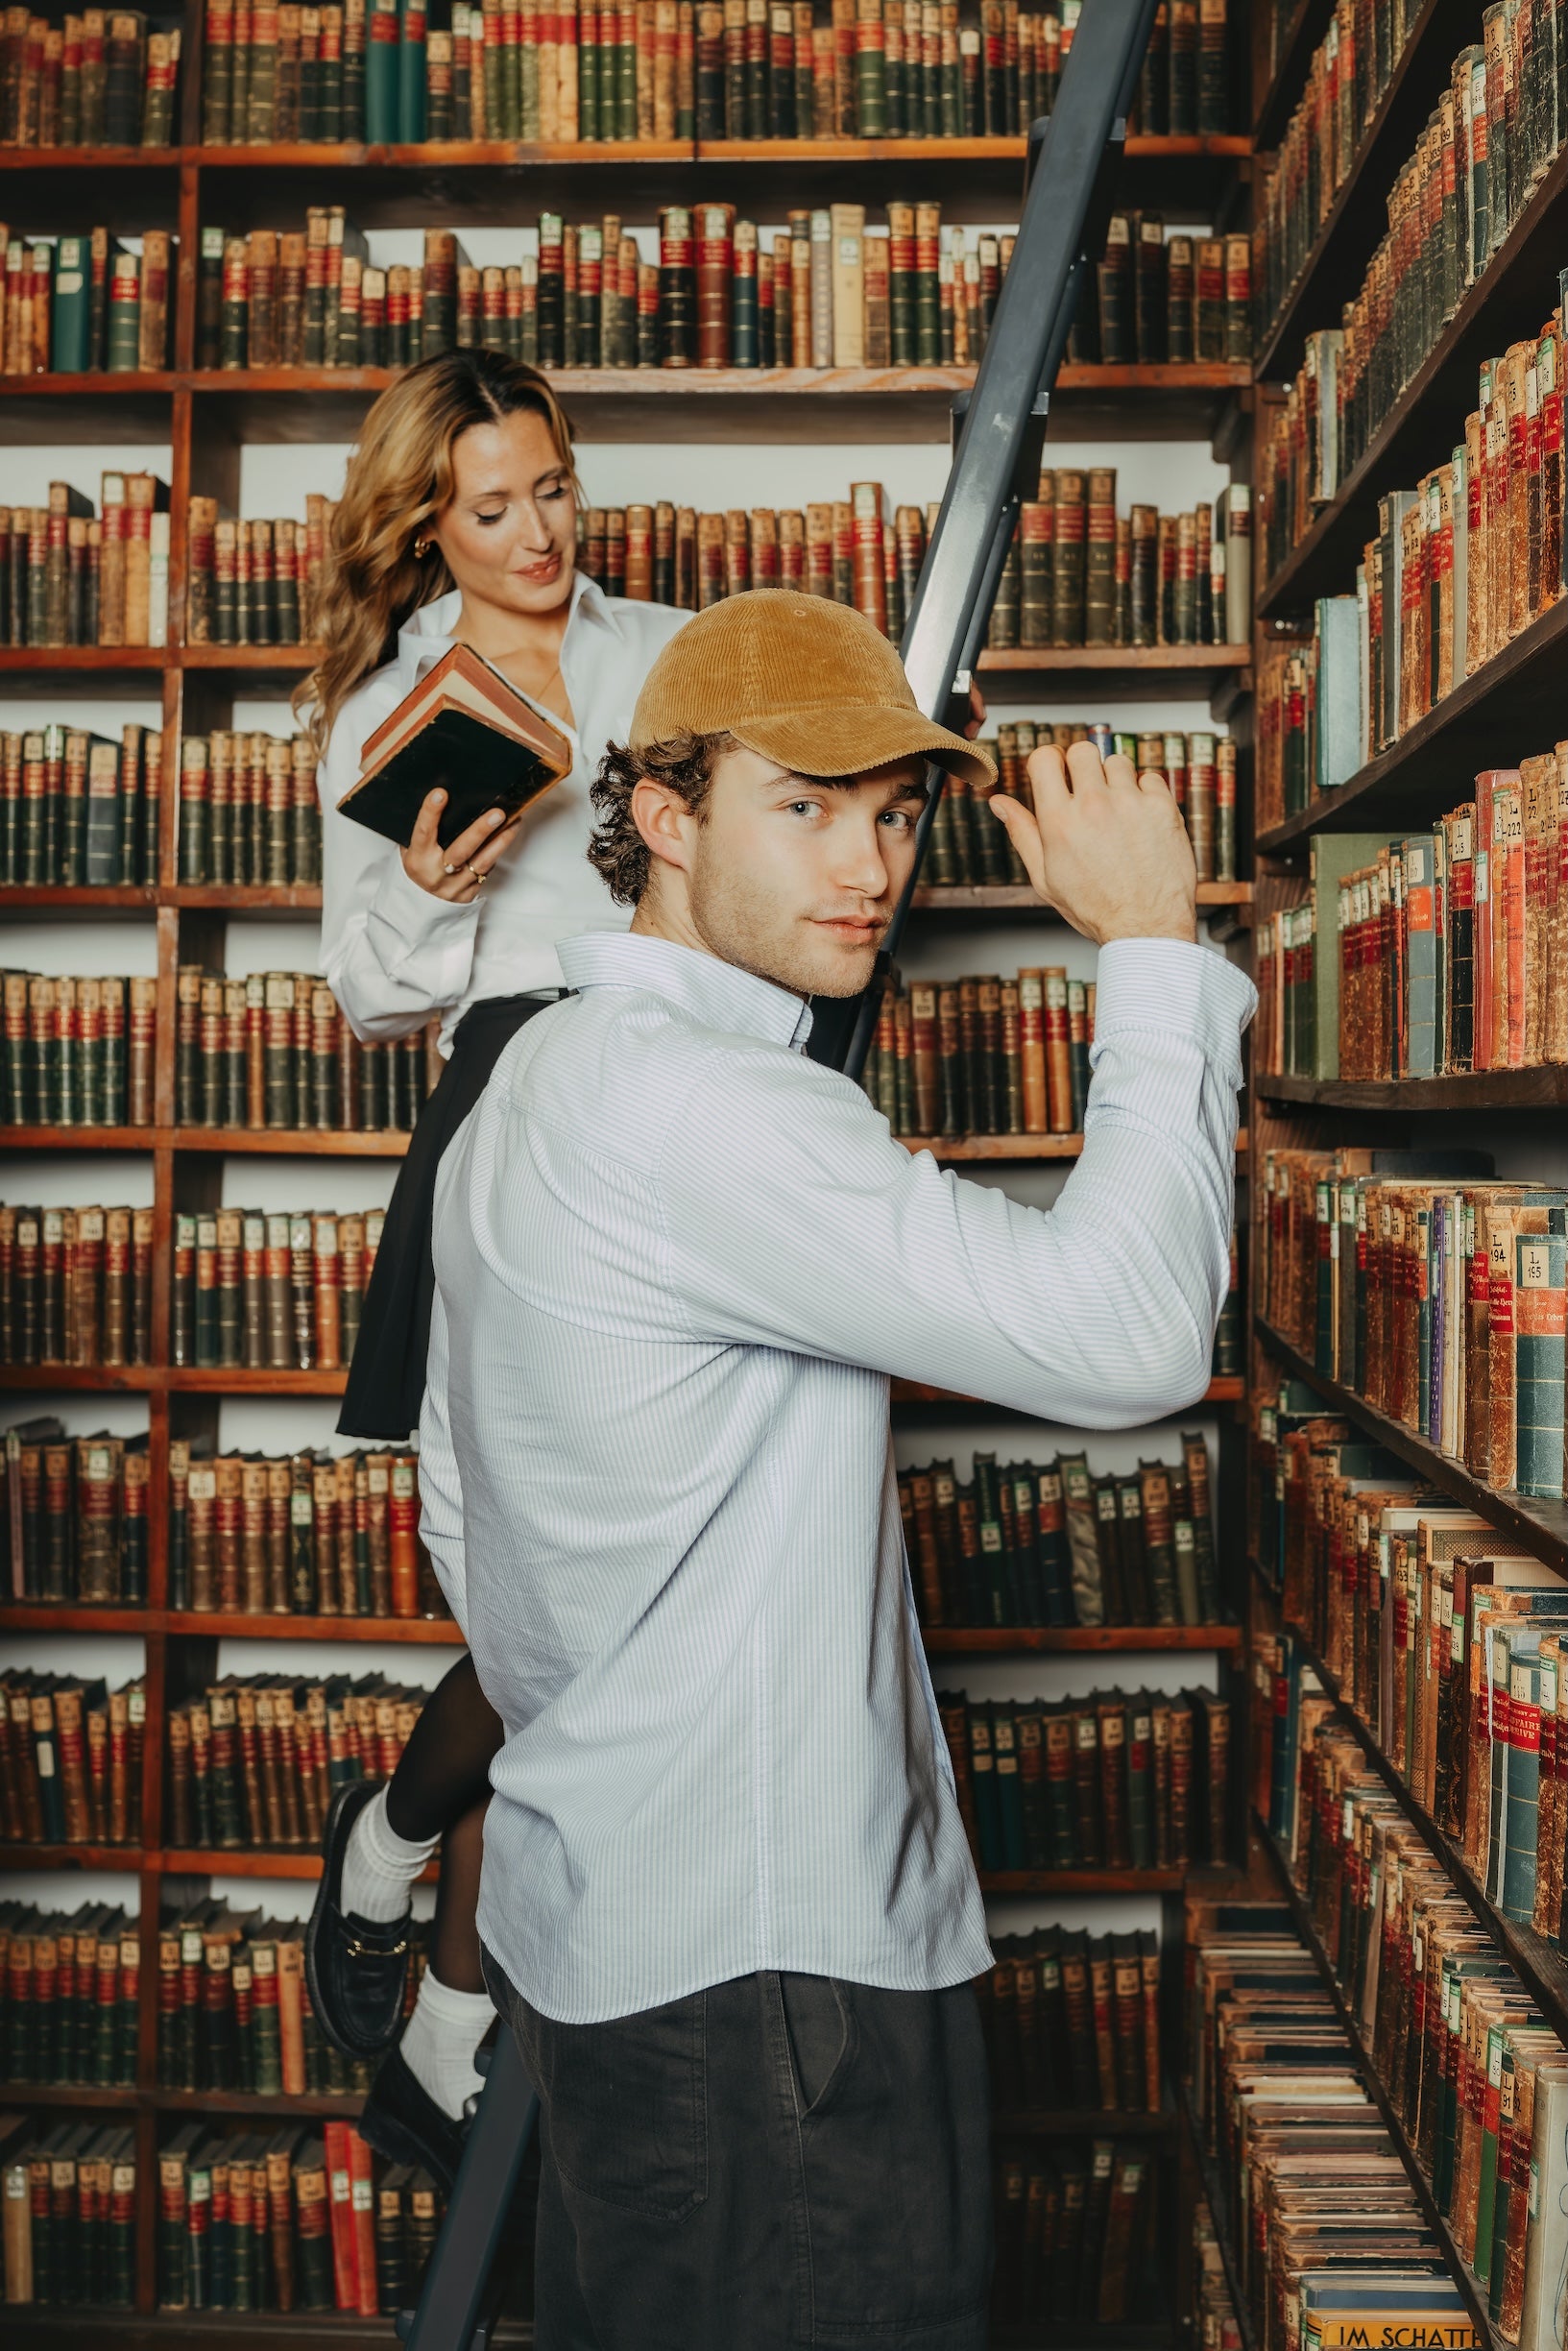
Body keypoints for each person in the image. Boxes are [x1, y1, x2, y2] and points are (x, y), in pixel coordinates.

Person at [417, 588, 1255, 2348]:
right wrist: (1156, 945)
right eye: (799, 806)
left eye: (890, 809)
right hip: (760, 1969)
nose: (864, 862)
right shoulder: (704, 1107)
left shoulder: (535, 1075)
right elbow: (1127, 1338)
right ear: (660, 820)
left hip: (620, 1930)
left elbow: (456, 1510)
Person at [298, 347, 690, 2189]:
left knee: (648, 1566)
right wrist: (440, 891)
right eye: (490, 505)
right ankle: (449, 1976)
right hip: (509, 1106)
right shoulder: (386, 709)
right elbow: (367, 990)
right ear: (425, 525)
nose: (538, 533)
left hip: (687, 1105)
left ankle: (400, 1842)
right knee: (545, 1573)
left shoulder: (670, 652)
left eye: (552, 486)